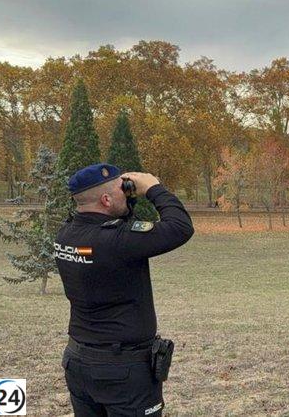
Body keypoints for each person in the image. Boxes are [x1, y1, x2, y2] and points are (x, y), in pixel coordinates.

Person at [55, 163, 194, 417]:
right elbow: (180, 227)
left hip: (78, 361)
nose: (127, 192)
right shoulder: (117, 240)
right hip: (123, 370)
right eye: (122, 190)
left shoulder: (66, 235)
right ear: (106, 200)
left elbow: (113, 231)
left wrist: (126, 202)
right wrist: (153, 188)